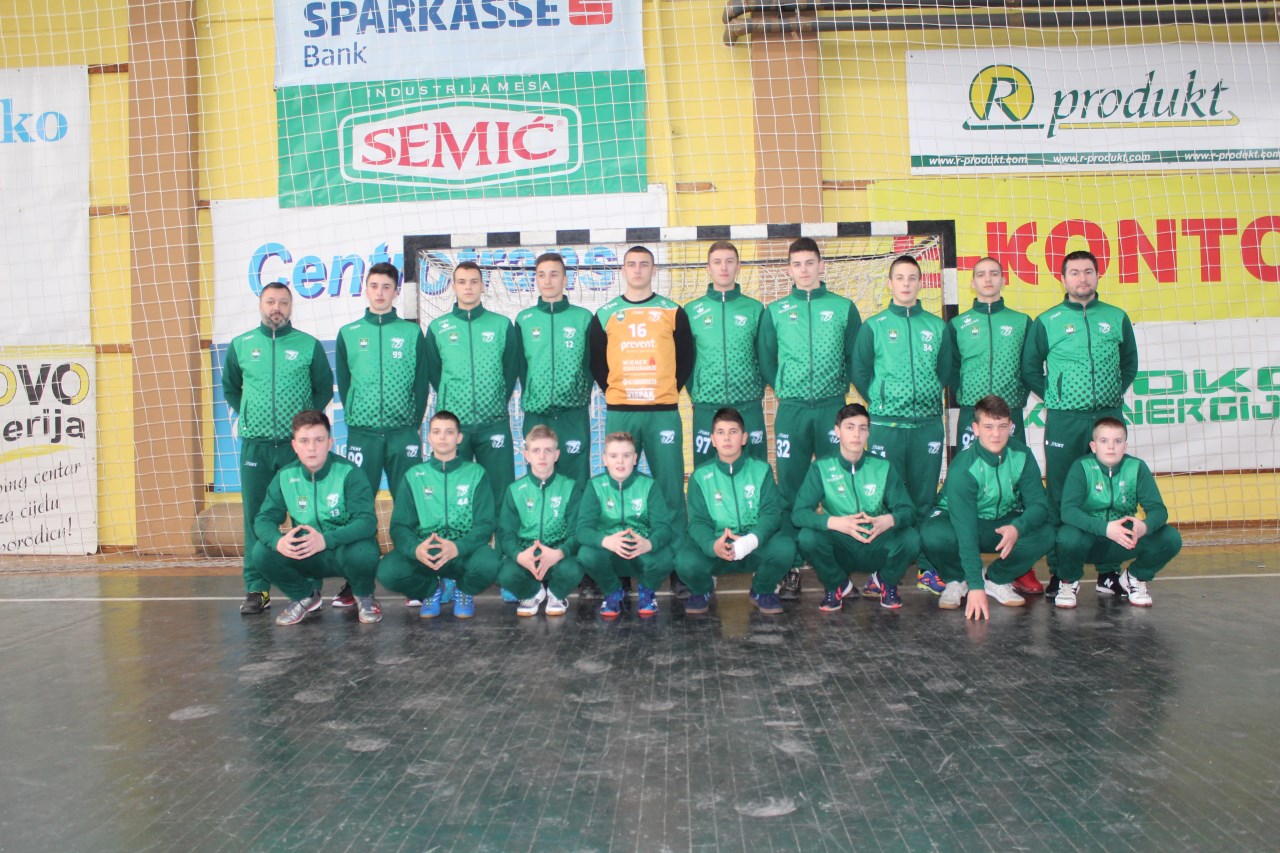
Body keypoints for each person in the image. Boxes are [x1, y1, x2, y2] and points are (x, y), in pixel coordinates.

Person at [1021, 249, 1138, 599]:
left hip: (1108, 418)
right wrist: (1055, 397)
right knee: (1060, 493)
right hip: (1064, 421)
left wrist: (1112, 394)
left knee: (1111, 492)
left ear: (1098, 276)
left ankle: (1108, 572)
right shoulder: (1048, 320)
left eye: (1088, 271)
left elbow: (1129, 364)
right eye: (1074, 272)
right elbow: (1030, 369)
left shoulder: (1116, 317)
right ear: (1063, 279)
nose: (1082, 278)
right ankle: (1061, 573)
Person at [758, 237, 862, 600]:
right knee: (790, 488)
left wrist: (839, 388)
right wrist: (784, 388)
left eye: (809, 263)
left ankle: (838, 562)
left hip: (833, 409)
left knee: (838, 486)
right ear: (789, 270)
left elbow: (854, 356)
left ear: (821, 266)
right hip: (792, 410)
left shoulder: (844, 307)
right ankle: (791, 565)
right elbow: (767, 359)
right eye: (797, 264)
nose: (804, 270)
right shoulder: (775, 311)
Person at [588, 245, 694, 596]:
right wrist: (615, 392)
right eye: (631, 264)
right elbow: (597, 363)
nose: (637, 270)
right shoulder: (605, 314)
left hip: (662, 412)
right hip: (622, 410)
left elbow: (685, 359)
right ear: (623, 270)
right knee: (617, 489)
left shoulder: (672, 311)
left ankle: (676, 566)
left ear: (653, 270)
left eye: (644, 264)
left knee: (670, 490)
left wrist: (666, 390)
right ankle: (619, 567)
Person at [222, 282, 334, 615]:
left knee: (306, 515)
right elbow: (231, 388)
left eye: (283, 302)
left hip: (294, 449)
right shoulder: (241, 345)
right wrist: (250, 415)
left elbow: (323, 389)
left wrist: (303, 429)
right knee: (256, 517)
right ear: (260, 304)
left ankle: (309, 585)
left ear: (290, 307)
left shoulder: (308, 345)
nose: (276, 308)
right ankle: (257, 588)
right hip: (255, 448)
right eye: (271, 301)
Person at [851, 255, 952, 599]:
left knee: (923, 499)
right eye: (900, 278)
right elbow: (860, 371)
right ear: (890, 283)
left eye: (912, 278)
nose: (906, 284)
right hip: (886, 427)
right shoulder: (874, 326)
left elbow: (944, 371)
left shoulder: (937, 327)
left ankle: (927, 568)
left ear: (921, 283)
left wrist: (923, 396)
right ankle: (882, 572)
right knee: (885, 501)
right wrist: (882, 400)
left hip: (926, 426)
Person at [330, 261, 429, 609]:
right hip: (363, 435)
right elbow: (345, 383)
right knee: (359, 508)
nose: (380, 292)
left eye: (387, 287)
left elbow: (421, 383)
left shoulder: (411, 333)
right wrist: (358, 419)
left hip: (403, 433)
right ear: (366, 290)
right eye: (374, 286)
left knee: (410, 505)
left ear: (396, 292)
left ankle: (412, 577)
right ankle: (357, 582)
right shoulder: (349, 333)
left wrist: (411, 423)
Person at [940, 257, 1040, 596]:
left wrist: (1015, 401)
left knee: (1017, 486)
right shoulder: (958, 324)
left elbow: (1029, 367)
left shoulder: (1022, 322)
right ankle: (960, 570)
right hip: (973, 412)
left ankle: (1019, 567)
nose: (987, 279)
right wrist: (968, 399)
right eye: (981, 274)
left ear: (1003, 280)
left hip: (1009, 413)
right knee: (966, 484)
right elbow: (951, 370)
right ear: (972, 282)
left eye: (994, 274)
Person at [919, 395, 1054, 620]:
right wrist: (975, 587)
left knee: (1046, 533)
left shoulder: (1022, 455)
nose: (996, 434)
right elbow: (966, 532)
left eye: (1002, 426)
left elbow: (1039, 506)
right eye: (988, 426)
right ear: (976, 429)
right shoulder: (963, 467)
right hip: (961, 524)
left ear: (1011, 426)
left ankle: (996, 579)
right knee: (932, 534)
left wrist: (1017, 528)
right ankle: (957, 579)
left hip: (1001, 525)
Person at [250, 410, 381, 625]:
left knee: (365, 551)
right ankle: (304, 596)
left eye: (319, 440)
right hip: (305, 551)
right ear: (294, 446)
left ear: (330, 443)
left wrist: (326, 540)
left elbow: (367, 522)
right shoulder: (285, 476)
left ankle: (364, 595)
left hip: (341, 550)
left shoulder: (350, 473)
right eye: (304, 441)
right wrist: (278, 541)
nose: (312, 447)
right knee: (262, 553)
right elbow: (264, 519)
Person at [792, 403, 919, 612]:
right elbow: (798, 514)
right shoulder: (821, 467)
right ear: (837, 431)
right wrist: (834, 522)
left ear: (868, 432)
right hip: (841, 546)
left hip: (875, 541)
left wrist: (889, 520)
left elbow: (909, 511)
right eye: (849, 427)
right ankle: (836, 584)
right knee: (807, 537)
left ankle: (886, 581)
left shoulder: (882, 466)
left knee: (911, 538)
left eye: (862, 428)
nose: (856, 434)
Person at [375, 410, 501, 619]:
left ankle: (463, 589)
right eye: (436, 432)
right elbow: (399, 526)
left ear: (459, 438)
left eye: (449, 432)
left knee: (490, 563)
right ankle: (431, 590)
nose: (442, 437)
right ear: (429, 437)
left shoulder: (476, 474)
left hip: (463, 551)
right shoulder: (414, 476)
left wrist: (457, 547)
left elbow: (486, 524)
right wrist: (416, 549)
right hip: (427, 552)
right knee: (388, 571)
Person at [675, 407, 794, 615]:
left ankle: (762, 590)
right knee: (684, 560)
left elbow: (772, 513)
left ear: (744, 438)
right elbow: (697, 523)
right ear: (712, 440)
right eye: (720, 432)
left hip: (754, 546)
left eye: (733, 432)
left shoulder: (762, 470)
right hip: (719, 547)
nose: (727, 438)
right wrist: (712, 545)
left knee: (785, 548)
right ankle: (703, 590)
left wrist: (751, 540)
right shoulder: (700, 477)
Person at [1053, 417, 1182, 608]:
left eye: (1118, 441)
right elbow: (1068, 512)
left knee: (1170, 538)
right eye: (1104, 441)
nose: (1111, 447)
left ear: (1125, 445)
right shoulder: (1081, 467)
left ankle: (1134, 578)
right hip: (1088, 539)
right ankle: (1068, 582)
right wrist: (1105, 529)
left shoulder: (1137, 467)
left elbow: (1158, 510)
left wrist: (1144, 527)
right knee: (1067, 537)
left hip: (1123, 540)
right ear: (1093, 446)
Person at [424, 261, 520, 508]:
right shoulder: (438, 328)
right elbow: (435, 374)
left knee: (501, 494)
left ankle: (501, 536)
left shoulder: (501, 325)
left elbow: (510, 371)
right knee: (455, 494)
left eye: (474, 282)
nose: (468, 287)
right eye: (462, 282)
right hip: (454, 427)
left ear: (482, 286)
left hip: (494, 423)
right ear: (453, 287)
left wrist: (494, 399)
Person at [514, 253, 595, 485]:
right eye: (541, 275)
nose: (547, 281)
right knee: (539, 477)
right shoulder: (524, 319)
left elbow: (590, 365)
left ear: (565, 279)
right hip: (536, 413)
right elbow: (521, 367)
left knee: (576, 479)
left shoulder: (583, 318)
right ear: (536, 280)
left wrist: (577, 394)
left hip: (573, 414)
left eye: (554, 274)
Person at [576, 432, 677, 619]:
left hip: (641, 551)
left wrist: (649, 543)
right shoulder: (595, 486)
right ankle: (613, 591)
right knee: (586, 554)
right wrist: (605, 541)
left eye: (626, 455)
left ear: (635, 459)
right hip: (609, 553)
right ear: (605, 459)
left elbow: (664, 528)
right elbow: (582, 530)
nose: (620, 461)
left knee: (668, 555)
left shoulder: (649, 485)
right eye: (614, 456)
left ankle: (647, 591)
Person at [686, 241, 768, 466]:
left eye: (729, 261)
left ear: (738, 266)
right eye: (717, 262)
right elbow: (686, 361)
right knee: (706, 471)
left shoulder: (755, 309)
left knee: (754, 468)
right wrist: (699, 392)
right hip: (706, 406)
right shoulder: (691, 310)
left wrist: (754, 389)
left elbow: (764, 357)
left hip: (748, 405)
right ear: (708, 268)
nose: (724, 267)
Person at [495, 425, 584, 617]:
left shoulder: (570, 487)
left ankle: (556, 594)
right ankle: (533, 593)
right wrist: (519, 555)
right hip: (527, 557)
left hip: (557, 557)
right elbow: (506, 534)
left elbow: (577, 532)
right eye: (536, 451)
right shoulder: (515, 490)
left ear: (557, 455)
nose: (542, 456)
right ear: (527, 455)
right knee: (503, 572)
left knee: (575, 568)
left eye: (548, 450)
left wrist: (559, 552)